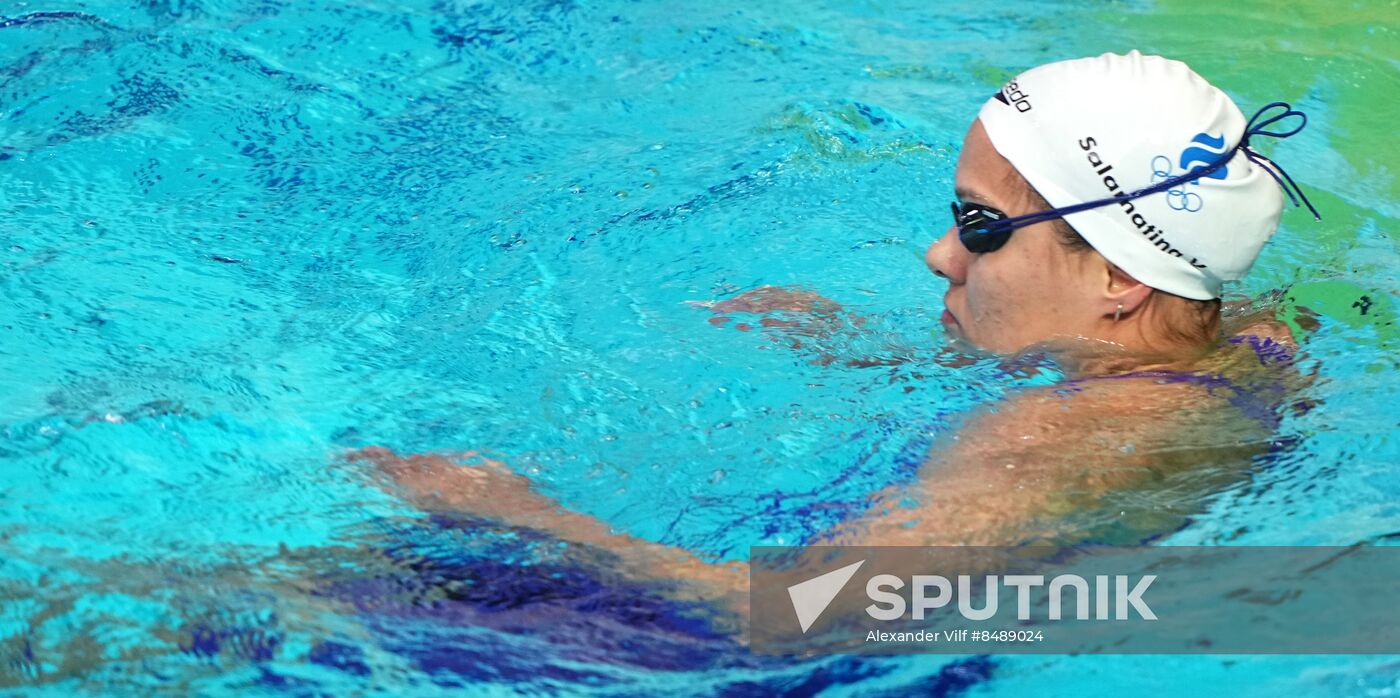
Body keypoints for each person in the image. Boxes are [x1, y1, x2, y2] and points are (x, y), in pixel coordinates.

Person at [351, 51, 1318, 635]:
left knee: (288, 609)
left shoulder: (1038, 444)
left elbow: (789, 615)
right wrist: (863, 350)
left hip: (764, 696)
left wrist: (517, 511)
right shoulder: (1255, 345)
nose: (938, 254)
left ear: (1119, 277)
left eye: (982, 229)